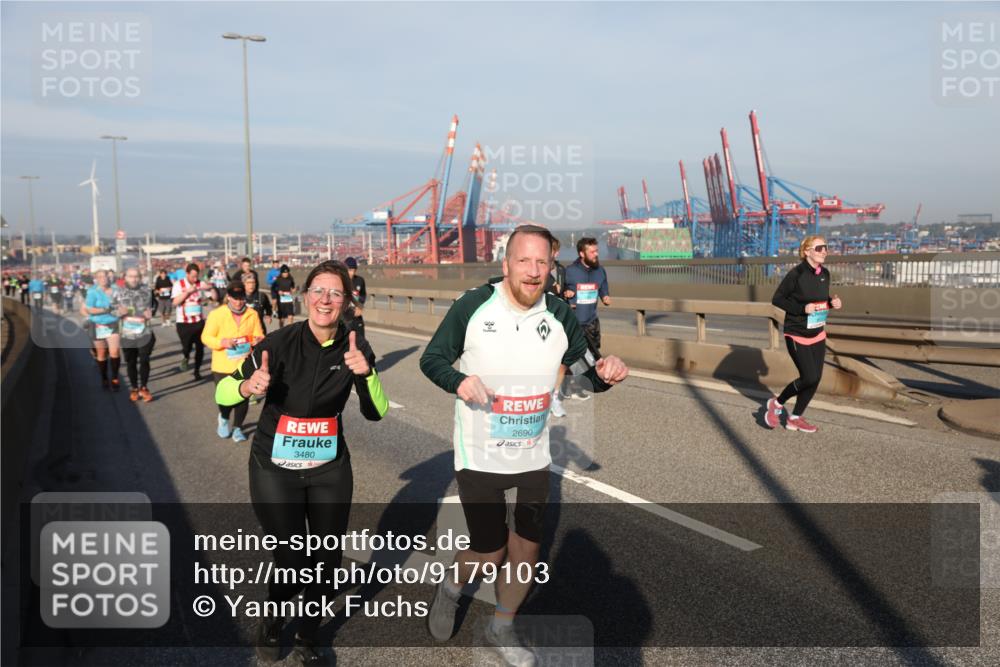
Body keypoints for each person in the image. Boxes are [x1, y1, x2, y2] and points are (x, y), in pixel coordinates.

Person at [419, 225, 628, 665]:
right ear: (506, 264)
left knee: (528, 544)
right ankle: (452, 587)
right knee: (490, 547)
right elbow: (432, 358)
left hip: (533, 453)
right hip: (479, 453)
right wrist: (459, 381)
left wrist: (606, 373)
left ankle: (502, 625)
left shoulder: (559, 314)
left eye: (542, 263)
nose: (533, 272)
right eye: (524, 261)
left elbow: (584, 376)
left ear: (552, 267)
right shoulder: (474, 306)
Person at [214, 260, 389, 665]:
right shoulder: (275, 345)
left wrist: (366, 374)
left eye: (335, 293)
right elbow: (222, 394)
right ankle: (273, 620)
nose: (326, 300)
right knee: (292, 560)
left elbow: (377, 411)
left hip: (328, 467)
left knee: (327, 563)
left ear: (346, 302)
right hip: (274, 465)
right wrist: (246, 385)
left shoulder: (354, 345)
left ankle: (310, 635)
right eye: (319, 291)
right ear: (306, 295)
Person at [765, 235, 842, 433]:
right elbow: (778, 299)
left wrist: (831, 303)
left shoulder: (825, 273)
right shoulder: (796, 274)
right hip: (797, 332)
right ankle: (777, 403)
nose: (824, 251)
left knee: (815, 378)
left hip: (817, 332)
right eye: (819, 248)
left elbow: (819, 300)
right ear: (807, 251)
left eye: (826, 247)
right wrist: (801, 308)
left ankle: (795, 418)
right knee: (808, 377)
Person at [202, 282, 264, 442]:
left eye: (241, 298)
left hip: (244, 365)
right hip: (222, 366)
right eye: (235, 298)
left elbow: (259, 334)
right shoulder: (217, 314)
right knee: (224, 398)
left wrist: (259, 340)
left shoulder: (252, 314)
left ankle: (237, 428)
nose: (238, 302)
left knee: (242, 398)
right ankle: (223, 418)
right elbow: (206, 337)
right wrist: (223, 342)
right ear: (228, 297)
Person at [562, 237, 610, 401]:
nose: (596, 254)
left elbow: (603, 286)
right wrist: (566, 294)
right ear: (582, 253)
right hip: (575, 323)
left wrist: (605, 296)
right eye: (592, 251)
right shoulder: (570, 271)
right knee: (578, 357)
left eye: (597, 251)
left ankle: (574, 385)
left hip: (592, 321)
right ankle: (572, 387)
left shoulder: (600, 270)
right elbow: (561, 291)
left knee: (592, 357)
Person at [116, 267, 156, 402]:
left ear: (140, 277)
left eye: (136, 276)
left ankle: (144, 388)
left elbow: (154, 305)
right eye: (131, 276)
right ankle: (134, 388)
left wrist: (151, 312)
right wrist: (118, 312)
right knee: (130, 362)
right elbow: (110, 310)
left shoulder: (147, 290)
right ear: (125, 277)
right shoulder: (118, 292)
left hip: (144, 332)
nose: (134, 279)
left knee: (144, 359)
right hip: (127, 334)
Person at [85, 269, 122, 390]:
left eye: (105, 276)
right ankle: (104, 378)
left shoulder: (116, 289)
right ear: (96, 279)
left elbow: (123, 304)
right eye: (100, 277)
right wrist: (105, 310)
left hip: (113, 323)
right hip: (97, 324)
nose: (103, 278)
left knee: (114, 352)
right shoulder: (92, 291)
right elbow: (89, 309)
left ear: (109, 277)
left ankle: (115, 377)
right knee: (101, 353)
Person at [543, 238, 568, 417]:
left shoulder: (560, 269)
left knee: (562, 361)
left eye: (557, 251)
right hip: (540, 322)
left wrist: (567, 293)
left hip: (558, 320)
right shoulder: (537, 270)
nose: (556, 254)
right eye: (553, 250)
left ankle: (555, 398)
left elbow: (563, 290)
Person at [171, 262, 209, 380]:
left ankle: (197, 371)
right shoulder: (179, 284)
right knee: (186, 347)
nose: (195, 278)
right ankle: (186, 356)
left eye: (196, 276)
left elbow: (212, 297)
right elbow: (174, 303)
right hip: (183, 323)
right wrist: (188, 292)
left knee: (200, 348)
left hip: (198, 322)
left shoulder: (200, 284)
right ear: (187, 274)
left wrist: (209, 288)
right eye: (192, 276)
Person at [345, 257, 366, 332]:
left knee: (361, 341)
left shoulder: (360, 281)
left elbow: (363, 295)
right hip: (344, 318)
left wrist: (360, 307)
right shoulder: (340, 281)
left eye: (354, 270)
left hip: (356, 317)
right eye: (350, 270)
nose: (352, 273)